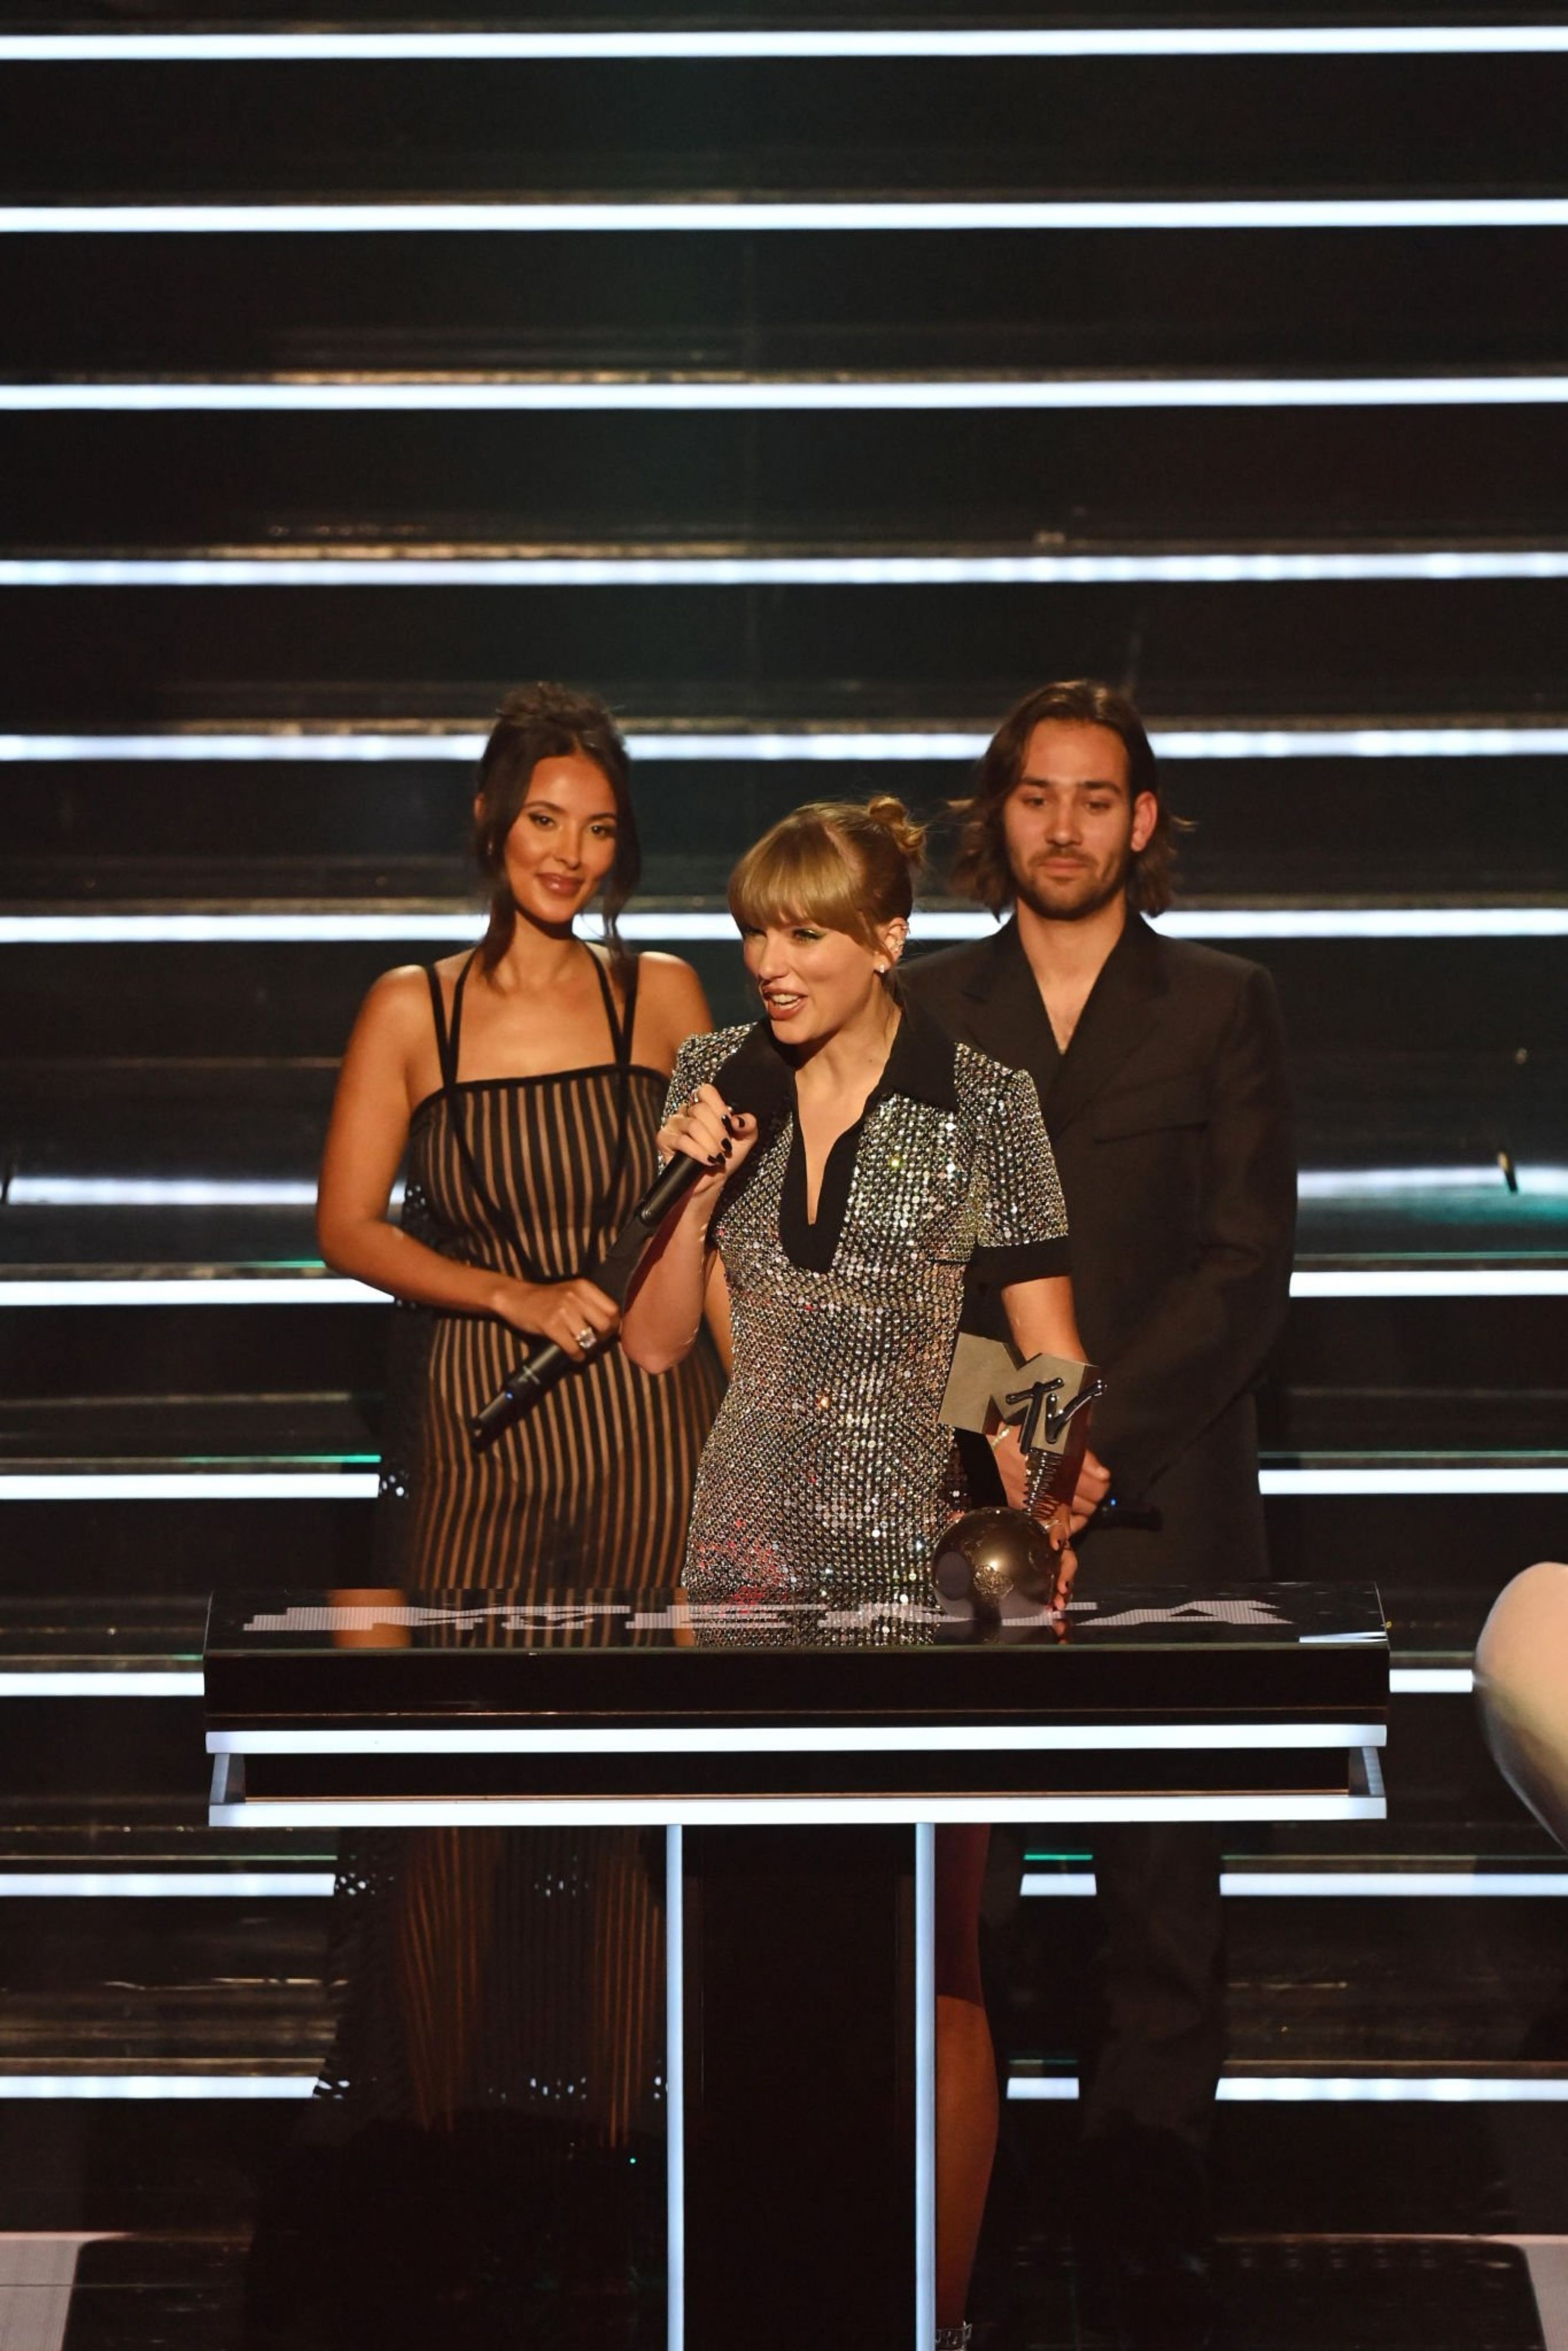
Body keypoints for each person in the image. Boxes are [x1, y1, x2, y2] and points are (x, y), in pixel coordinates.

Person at [620, 795, 1104, 2350]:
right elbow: (656, 1345)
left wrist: (1029, 1485)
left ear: (886, 937)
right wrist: (696, 1180)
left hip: (928, 1564)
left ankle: (933, 2319)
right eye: (755, 933)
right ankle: (753, 2299)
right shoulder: (715, 1079)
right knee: (744, 1949)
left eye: (805, 934)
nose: (771, 963)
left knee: (932, 1953)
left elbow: (1047, 1351)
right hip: (744, 1552)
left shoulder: (984, 1099)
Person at [280, 683, 726, 2341]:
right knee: (452, 1808)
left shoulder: (659, 990)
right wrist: (511, 1293)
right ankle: (440, 2169)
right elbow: (345, 1222)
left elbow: (712, 1222)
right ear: (492, 822)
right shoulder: (416, 1006)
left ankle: (611, 2172)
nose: (571, 853)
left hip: (644, 1439)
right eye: (547, 819)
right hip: (477, 1433)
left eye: (600, 828)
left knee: (629, 1809)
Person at [904, 679, 1296, 2347]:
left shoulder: (1221, 1004)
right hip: (968, 1492)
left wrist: (1092, 1448)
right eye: (1034, 795)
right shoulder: (926, 1004)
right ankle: (966, 2235)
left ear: (1141, 821)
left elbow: (1244, 1265)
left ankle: (1149, 2240)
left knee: (1162, 1894)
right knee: (965, 1899)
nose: (1062, 826)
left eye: (1093, 797)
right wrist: (1012, 1440)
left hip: (1166, 1492)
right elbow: (907, 1259)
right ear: (994, 816)